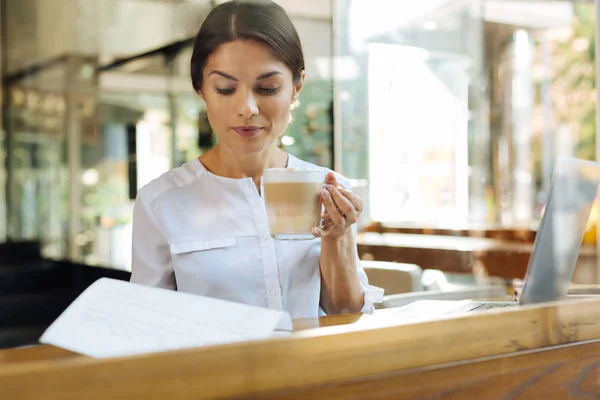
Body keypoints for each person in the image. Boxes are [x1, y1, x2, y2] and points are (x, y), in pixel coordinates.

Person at [130, 0, 383, 319]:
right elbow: (148, 325)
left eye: (267, 88)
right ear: (201, 90)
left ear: (296, 87)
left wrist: (338, 238)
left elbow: (345, 313)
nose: (247, 108)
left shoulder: (330, 190)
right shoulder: (161, 203)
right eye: (225, 89)